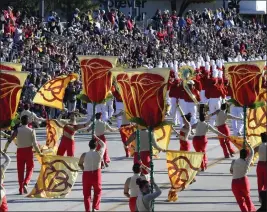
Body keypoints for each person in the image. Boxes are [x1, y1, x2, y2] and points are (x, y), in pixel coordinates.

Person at [3, 115, 43, 194]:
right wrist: (39, 152)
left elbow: (10, 139)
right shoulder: (31, 130)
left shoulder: (17, 130)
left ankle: (20, 189)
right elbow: (35, 144)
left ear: (21, 121)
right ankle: (26, 182)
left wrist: (5, 148)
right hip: (28, 151)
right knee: (30, 168)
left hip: (20, 152)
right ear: (28, 122)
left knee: (20, 171)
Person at [78, 136, 106, 212]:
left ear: (89, 145)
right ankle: (95, 207)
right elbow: (103, 145)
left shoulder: (84, 155)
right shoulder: (99, 153)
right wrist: (97, 138)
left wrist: (85, 169)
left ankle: (87, 210)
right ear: (96, 146)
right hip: (96, 174)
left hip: (86, 174)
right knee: (98, 191)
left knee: (86, 194)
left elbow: (80, 164)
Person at [230, 138, 256, 212]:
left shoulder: (234, 161)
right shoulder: (246, 162)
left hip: (234, 183)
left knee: (240, 202)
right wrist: (248, 144)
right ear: (246, 156)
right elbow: (252, 152)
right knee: (247, 198)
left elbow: (231, 172)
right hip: (244, 181)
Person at [257, 132, 267, 197]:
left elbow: (250, 152)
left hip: (259, 165)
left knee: (260, 182)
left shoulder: (258, 146)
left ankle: (260, 197)